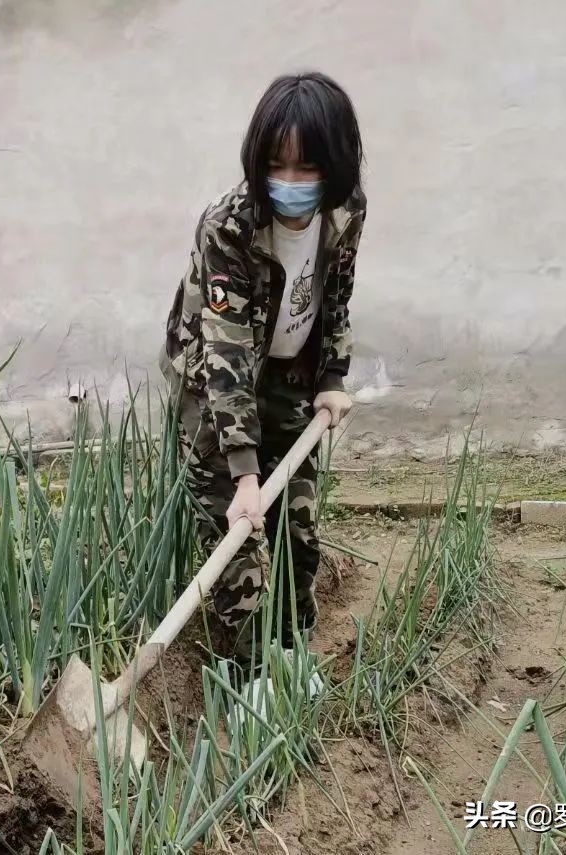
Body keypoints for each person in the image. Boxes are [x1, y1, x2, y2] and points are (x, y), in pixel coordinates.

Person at [158, 71, 366, 663]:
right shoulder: (229, 227)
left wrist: (332, 378)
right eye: (278, 165)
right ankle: (251, 682)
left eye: (308, 168)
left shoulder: (346, 211)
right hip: (215, 391)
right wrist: (244, 474)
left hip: (291, 380)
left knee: (298, 531)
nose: (291, 183)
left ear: (337, 166)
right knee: (239, 548)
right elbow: (225, 354)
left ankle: (294, 657)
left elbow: (338, 294)